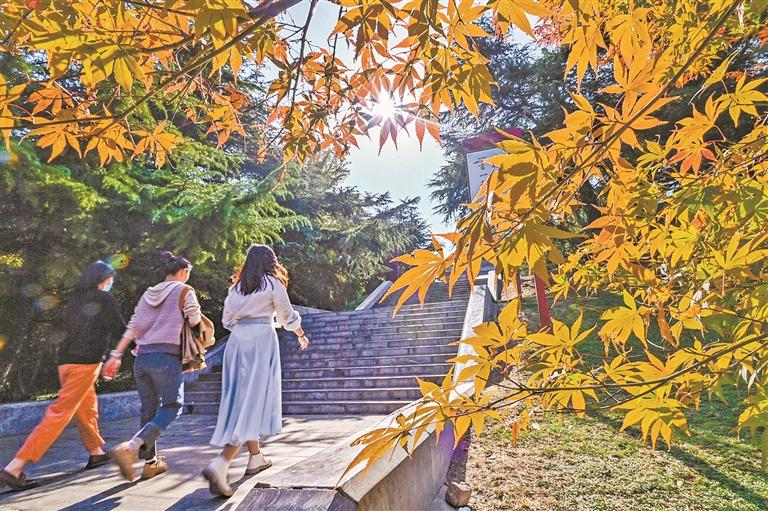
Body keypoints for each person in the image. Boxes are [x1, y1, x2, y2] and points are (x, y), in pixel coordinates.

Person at [0, 261, 124, 491]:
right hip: (84, 364)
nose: (112, 283)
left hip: (65, 363)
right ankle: (14, 468)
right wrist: (136, 344)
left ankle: (96, 452)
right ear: (103, 278)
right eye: (111, 279)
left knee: (87, 408)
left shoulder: (73, 300)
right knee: (59, 413)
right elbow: (118, 328)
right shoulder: (103, 298)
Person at [202, 244, 309, 497]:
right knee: (254, 401)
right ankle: (221, 463)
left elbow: (227, 321)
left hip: (237, 343)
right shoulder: (272, 283)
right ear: (270, 261)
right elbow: (287, 316)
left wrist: (243, 326)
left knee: (244, 399)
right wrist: (301, 334)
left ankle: (256, 457)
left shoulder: (236, 288)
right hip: (262, 340)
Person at [104, 251, 201, 482]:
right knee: (173, 406)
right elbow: (194, 319)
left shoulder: (148, 293)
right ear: (184, 271)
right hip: (166, 358)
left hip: (142, 359)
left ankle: (150, 464)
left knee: (148, 411)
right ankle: (130, 447)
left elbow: (132, 327)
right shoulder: (185, 290)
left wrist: (116, 354)